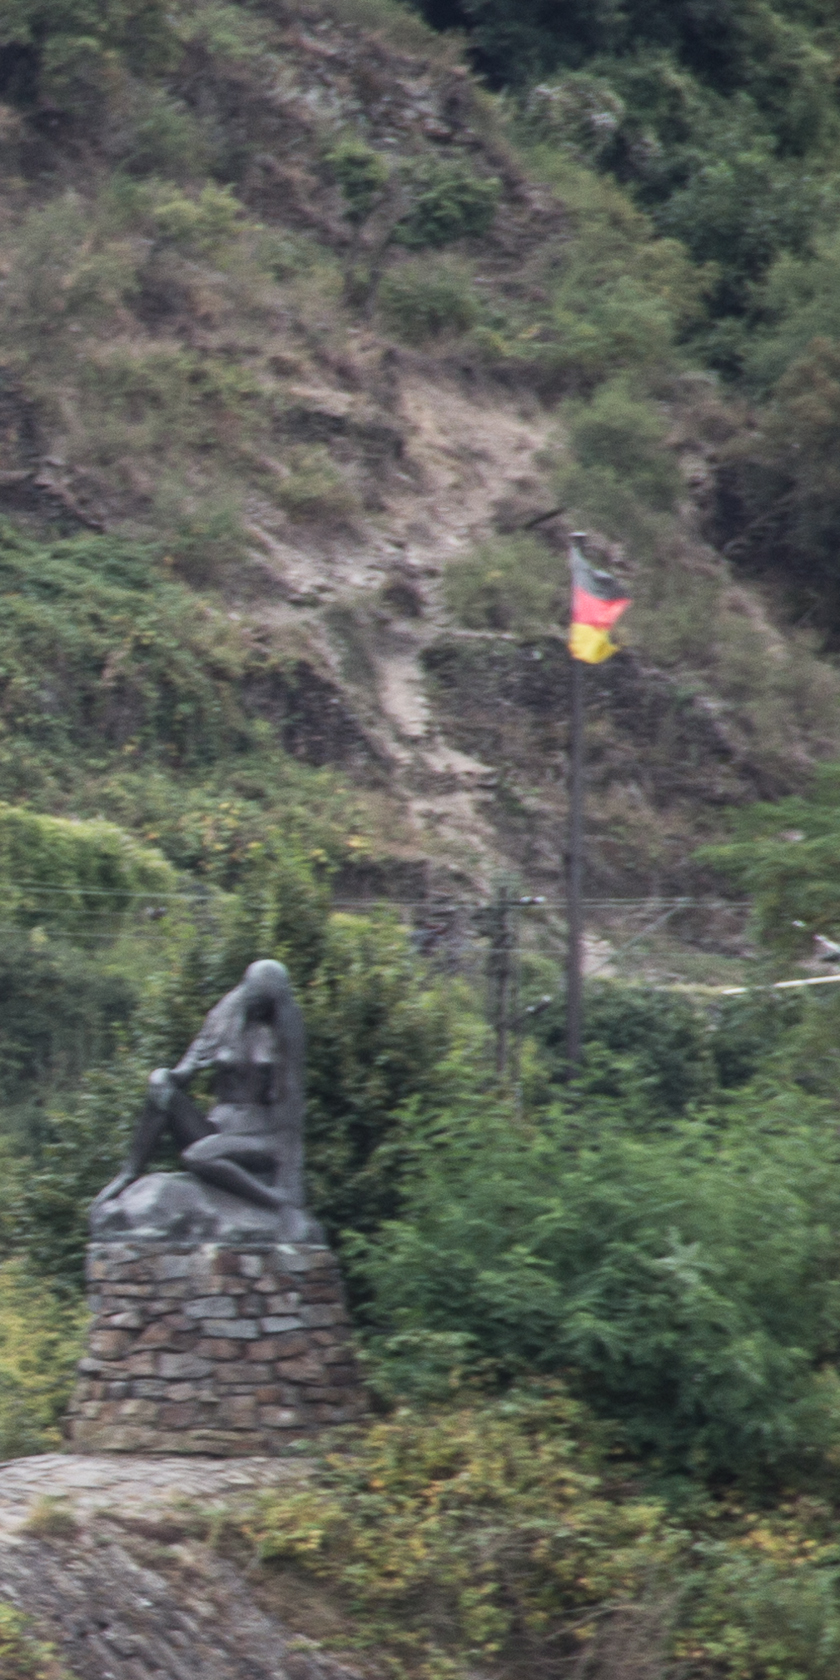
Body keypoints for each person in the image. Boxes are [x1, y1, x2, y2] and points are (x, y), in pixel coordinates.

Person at [94, 959, 304, 1212]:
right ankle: (129, 1173)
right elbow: (184, 1072)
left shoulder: (286, 1030)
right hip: (217, 1130)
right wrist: (162, 1077)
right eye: (254, 999)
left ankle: (277, 1201)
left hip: (261, 1138)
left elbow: (292, 1105)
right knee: (161, 1092)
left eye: (266, 1003)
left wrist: (289, 1174)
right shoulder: (222, 1017)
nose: (257, 1007)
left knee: (200, 1154)